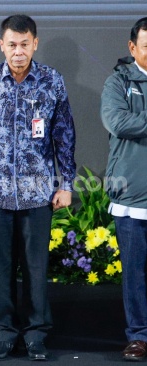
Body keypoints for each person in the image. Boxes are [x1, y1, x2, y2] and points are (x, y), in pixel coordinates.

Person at [0, 14, 76, 361]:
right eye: (12, 45)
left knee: (36, 267)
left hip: (38, 194)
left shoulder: (52, 81)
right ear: (1, 45)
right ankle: (6, 333)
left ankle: (36, 334)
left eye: (25, 44)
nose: (19, 51)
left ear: (35, 43)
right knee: (2, 268)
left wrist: (65, 183)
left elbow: (64, 136)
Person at [101, 17, 147, 362]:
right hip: (132, 195)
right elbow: (117, 121)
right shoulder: (118, 82)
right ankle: (139, 336)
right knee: (134, 273)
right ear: (132, 48)